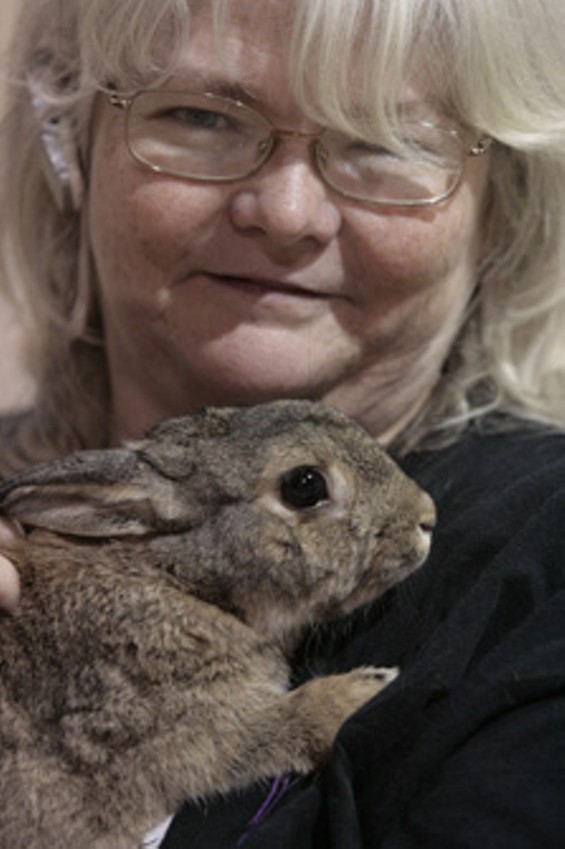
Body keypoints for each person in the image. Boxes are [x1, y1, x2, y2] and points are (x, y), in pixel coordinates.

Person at [1, 0, 565, 845]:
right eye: (200, 117)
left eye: (387, 140)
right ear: (68, 142)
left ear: (498, 207)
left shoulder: (539, 555)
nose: (288, 212)